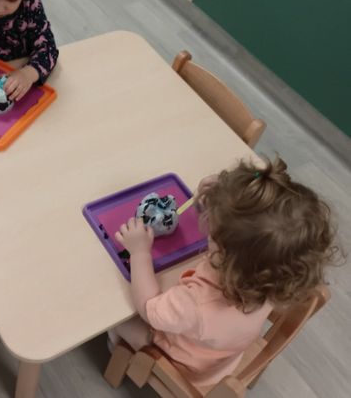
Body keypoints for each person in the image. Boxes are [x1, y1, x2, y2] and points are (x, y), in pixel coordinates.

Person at [109, 156, 338, 387]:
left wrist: (140, 253)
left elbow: (148, 307)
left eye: (214, 231)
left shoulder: (196, 303)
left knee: (117, 320)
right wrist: (221, 198)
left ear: (227, 255)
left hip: (182, 365)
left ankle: (118, 356)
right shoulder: (276, 278)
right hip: (221, 358)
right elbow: (254, 226)